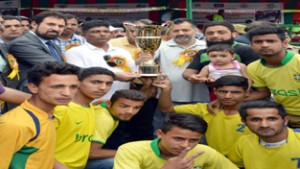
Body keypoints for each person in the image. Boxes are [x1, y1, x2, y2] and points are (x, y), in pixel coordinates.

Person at [0, 61, 80, 169]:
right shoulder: (15, 124)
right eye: (57, 87)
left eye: (73, 87)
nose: (67, 93)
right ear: (33, 87)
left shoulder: (49, 114)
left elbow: (38, 156)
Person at [153, 75, 251, 156]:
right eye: (223, 92)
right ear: (215, 91)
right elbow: (167, 109)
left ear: (246, 93)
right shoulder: (205, 109)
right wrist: (166, 90)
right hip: (212, 160)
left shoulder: (255, 115)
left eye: (235, 92)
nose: (228, 96)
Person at [114, 113, 238, 169]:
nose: (185, 146)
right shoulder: (131, 150)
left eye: (193, 140)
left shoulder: (204, 152)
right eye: (178, 138)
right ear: (160, 134)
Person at [54, 67, 115, 169]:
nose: (103, 88)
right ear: (78, 82)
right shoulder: (60, 109)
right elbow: (37, 147)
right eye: (96, 82)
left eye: (108, 84)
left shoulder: (91, 107)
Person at [65, 20, 138, 100]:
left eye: (106, 31)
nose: (102, 34)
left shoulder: (122, 51)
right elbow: (79, 73)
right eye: (96, 32)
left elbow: (132, 71)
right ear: (83, 35)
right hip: (90, 101)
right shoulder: (75, 52)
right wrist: (114, 76)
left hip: (119, 101)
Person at [246, 26, 300, 128]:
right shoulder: (253, 68)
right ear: (251, 46)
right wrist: (232, 99)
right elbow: (264, 92)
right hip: (281, 115)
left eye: (271, 41)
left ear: (284, 43)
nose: (264, 45)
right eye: (258, 42)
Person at [183, 21, 260, 85]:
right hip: (212, 95)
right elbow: (188, 73)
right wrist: (193, 77)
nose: (215, 35)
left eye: (221, 32)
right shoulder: (203, 53)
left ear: (233, 34)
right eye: (210, 33)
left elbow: (257, 76)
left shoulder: (246, 50)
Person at [228, 100, 300, 169]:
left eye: (272, 119)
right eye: (255, 120)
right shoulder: (242, 143)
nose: (264, 125)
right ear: (244, 122)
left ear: (285, 121)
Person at [86, 89, 147, 169]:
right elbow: (92, 153)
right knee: (126, 160)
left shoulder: (104, 105)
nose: (130, 111)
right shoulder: (105, 120)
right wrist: (128, 152)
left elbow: (101, 101)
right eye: (124, 106)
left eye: (136, 107)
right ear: (109, 104)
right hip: (76, 162)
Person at [9, 11, 66, 91]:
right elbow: (54, 66)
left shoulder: (50, 43)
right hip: (31, 92)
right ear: (34, 25)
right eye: (51, 24)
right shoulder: (22, 43)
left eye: (61, 26)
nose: (56, 29)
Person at [156, 18, 208, 104]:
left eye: (185, 30)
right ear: (170, 32)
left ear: (195, 30)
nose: (180, 33)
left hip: (200, 97)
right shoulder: (160, 47)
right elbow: (145, 62)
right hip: (170, 98)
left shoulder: (205, 47)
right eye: (176, 31)